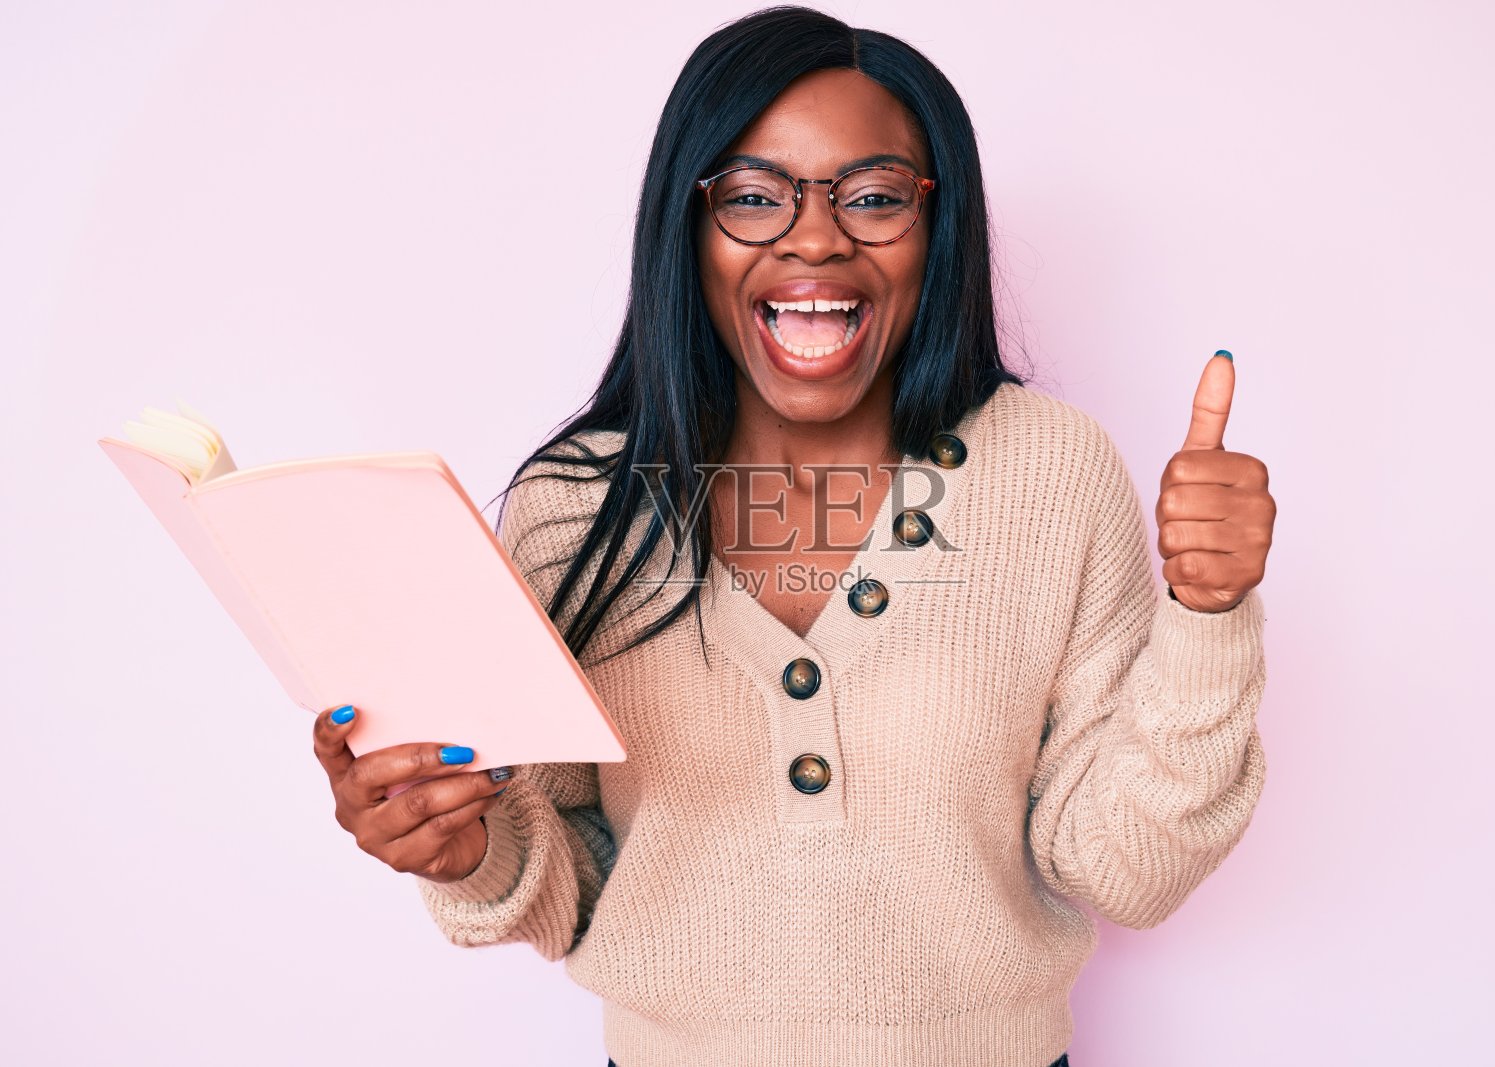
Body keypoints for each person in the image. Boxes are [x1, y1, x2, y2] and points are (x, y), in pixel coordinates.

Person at [309, 6, 1277, 1066]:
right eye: (754, 197)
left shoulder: (1053, 471)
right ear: (688, 226)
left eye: (870, 197)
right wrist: (458, 845)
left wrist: (1208, 616)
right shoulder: (575, 502)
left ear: (934, 224)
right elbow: (565, 864)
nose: (815, 238)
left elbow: (1123, 865)